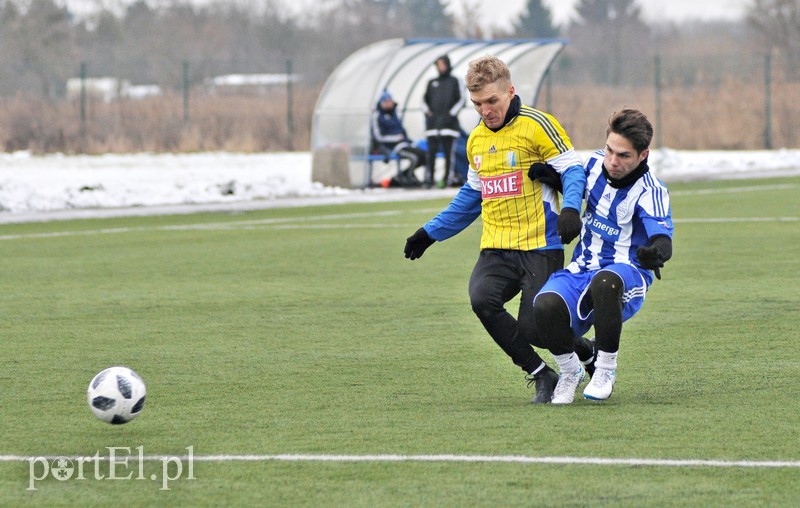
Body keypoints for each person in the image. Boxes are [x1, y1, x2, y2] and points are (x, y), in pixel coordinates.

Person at [404, 55, 592, 404]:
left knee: (535, 328)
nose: (485, 110)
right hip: (496, 246)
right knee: (481, 300)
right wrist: (429, 233)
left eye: (492, 101)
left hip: (540, 243)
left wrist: (570, 209)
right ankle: (542, 374)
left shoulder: (538, 125)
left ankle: (583, 350)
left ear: (510, 91)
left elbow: (574, 170)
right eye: (477, 103)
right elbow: (470, 198)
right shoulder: (476, 140)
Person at [532, 108, 674, 404]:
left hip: (625, 273)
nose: (612, 160)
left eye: (623, 155)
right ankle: (571, 372)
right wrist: (553, 179)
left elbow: (662, 238)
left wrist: (655, 253)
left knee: (605, 281)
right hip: (581, 267)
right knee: (543, 307)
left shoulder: (651, 191)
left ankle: (606, 368)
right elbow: (577, 187)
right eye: (610, 150)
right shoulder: (595, 162)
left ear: (643, 155)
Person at [422, 54, 465, 188]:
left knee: (449, 154)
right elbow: (424, 101)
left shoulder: (455, 81)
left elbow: (461, 99)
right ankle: (429, 180)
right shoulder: (431, 82)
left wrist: (450, 114)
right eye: (438, 65)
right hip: (433, 126)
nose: (440, 67)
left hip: (449, 126)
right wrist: (429, 113)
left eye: (442, 64)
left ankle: (447, 180)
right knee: (431, 154)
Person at [371, 90, 426, 187]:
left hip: (404, 143)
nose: (389, 104)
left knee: (424, 155)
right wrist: (395, 138)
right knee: (414, 157)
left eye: (390, 101)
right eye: (386, 102)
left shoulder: (396, 113)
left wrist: (407, 140)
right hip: (393, 147)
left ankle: (403, 175)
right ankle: (408, 178)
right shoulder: (378, 116)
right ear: (382, 103)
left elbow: (402, 131)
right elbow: (378, 137)